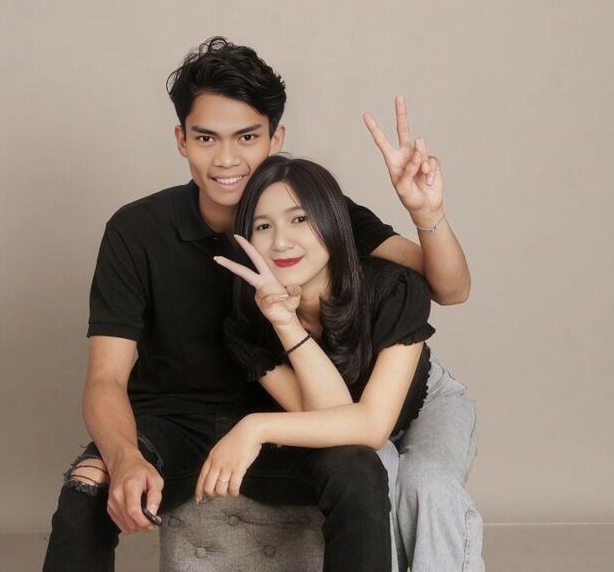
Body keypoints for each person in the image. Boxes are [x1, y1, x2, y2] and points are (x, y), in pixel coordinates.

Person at [42, 36, 479, 572]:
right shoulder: (136, 230)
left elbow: (446, 288)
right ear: (182, 140)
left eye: (247, 137)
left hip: (290, 415)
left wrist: (426, 214)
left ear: (276, 139)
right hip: (177, 424)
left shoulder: (314, 213)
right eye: (206, 137)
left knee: (361, 472)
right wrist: (124, 455)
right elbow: (106, 377)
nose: (227, 159)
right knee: (86, 488)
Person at [198, 155, 483, 572]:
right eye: (263, 227)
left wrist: (255, 427)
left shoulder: (392, 286)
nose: (281, 242)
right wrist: (284, 324)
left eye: (299, 220)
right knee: (373, 476)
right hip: (349, 418)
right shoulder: (247, 326)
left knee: (428, 483)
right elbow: (336, 420)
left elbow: (373, 424)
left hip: (426, 402)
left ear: (333, 222)